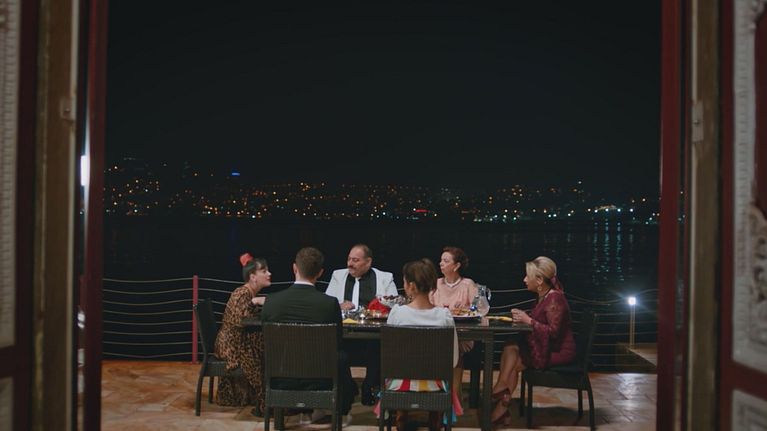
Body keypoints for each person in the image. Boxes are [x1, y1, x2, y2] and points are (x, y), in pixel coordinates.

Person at [261, 246, 356, 426]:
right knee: (342, 357)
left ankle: (304, 412)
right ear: (320, 273)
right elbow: (337, 341)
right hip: (321, 379)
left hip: (282, 378)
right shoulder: (329, 304)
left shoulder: (272, 301)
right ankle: (340, 412)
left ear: (294, 268)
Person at [489, 256, 576, 425]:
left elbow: (553, 333)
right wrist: (524, 317)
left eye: (527, 276)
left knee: (514, 361)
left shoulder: (555, 299)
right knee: (511, 344)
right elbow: (541, 320)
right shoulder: (543, 296)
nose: (524, 279)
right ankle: (502, 393)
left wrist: (528, 320)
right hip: (549, 347)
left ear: (539, 280)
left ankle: (501, 400)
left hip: (559, 351)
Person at [377, 258, 462, 431]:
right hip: (435, 384)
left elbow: (389, 356)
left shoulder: (397, 313)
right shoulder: (444, 316)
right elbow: (453, 360)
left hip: (400, 382)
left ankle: (400, 417)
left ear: (411, 286)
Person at [324, 244, 398, 405]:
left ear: (368, 262)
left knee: (378, 348)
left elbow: (394, 304)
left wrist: (379, 307)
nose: (350, 264)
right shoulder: (338, 275)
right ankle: (348, 387)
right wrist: (339, 305)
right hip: (345, 331)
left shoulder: (385, 278)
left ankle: (369, 387)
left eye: (355, 260)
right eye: (349, 259)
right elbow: (327, 302)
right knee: (335, 349)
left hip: (373, 334)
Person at [214, 253, 271, 414]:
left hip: (238, 342)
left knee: (266, 345)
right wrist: (259, 303)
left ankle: (270, 397)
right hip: (232, 346)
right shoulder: (242, 293)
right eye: (264, 271)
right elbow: (242, 321)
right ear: (253, 277)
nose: (269, 274)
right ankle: (267, 401)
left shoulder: (250, 294)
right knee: (264, 349)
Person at [428, 246, 479, 402]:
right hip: (436, 331)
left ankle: (453, 397)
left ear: (456, 266)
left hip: (462, 333)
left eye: (446, 261)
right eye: (441, 260)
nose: (441, 263)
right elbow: (427, 306)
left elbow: (477, 309)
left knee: (453, 344)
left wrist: (465, 310)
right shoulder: (436, 283)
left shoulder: (468, 284)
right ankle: (436, 394)